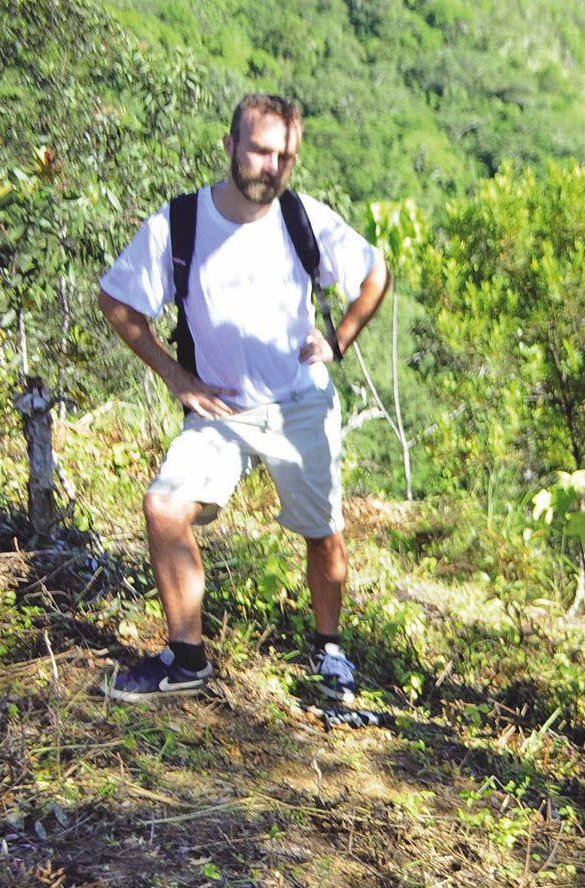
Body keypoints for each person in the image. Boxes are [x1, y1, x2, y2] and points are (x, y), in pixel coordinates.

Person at [97, 93, 391, 703]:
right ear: (230, 147)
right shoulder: (180, 223)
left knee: (324, 532)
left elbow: (374, 273)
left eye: (284, 156)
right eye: (259, 150)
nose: (270, 166)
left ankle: (328, 649)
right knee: (163, 508)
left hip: (299, 403)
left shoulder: (304, 218)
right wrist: (176, 377)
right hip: (221, 410)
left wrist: (337, 340)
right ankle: (186, 657)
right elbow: (117, 302)